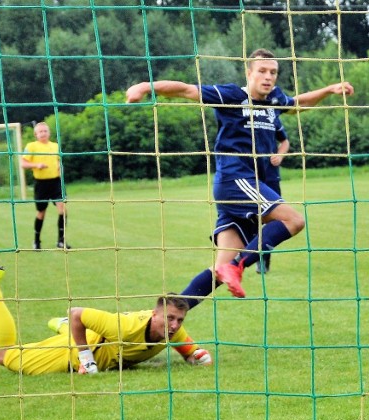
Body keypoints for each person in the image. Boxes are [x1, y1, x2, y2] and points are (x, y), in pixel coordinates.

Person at [126, 48, 354, 307]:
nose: (268, 77)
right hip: (235, 179)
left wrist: (329, 90)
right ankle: (238, 266)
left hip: (245, 188)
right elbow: (186, 90)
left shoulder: (275, 100)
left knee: (219, 271)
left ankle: (169, 317)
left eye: (273, 72)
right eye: (262, 71)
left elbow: (298, 104)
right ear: (249, 73)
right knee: (293, 220)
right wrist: (145, 86)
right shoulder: (232, 96)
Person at [0, 254, 212, 375]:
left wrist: (195, 357)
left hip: (94, 335)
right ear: (154, 314)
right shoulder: (124, 326)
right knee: (5, 356)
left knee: (71, 326)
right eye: (169, 318)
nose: (174, 325)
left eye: (179, 319)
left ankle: (61, 325)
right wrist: (86, 358)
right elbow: (77, 313)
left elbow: (190, 351)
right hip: (75, 350)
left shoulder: (174, 331)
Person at [21, 122, 70, 250]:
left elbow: (59, 161)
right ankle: (36, 241)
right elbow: (23, 163)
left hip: (56, 182)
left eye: (45, 131)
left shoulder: (55, 146)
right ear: (36, 134)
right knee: (41, 212)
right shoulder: (31, 146)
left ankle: (61, 241)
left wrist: (60, 167)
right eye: (40, 131)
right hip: (41, 184)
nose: (43, 133)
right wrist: (36, 165)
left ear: (49, 133)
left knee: (63, 208)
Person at [256, 116, 290, 275]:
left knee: (272, 220)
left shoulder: (272, 116)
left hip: (270, 176)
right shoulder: (240, 113)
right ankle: (239, 256)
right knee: (251, 219)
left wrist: (280, 155)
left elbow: (284, 141)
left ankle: (264, 261)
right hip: (248, 174)